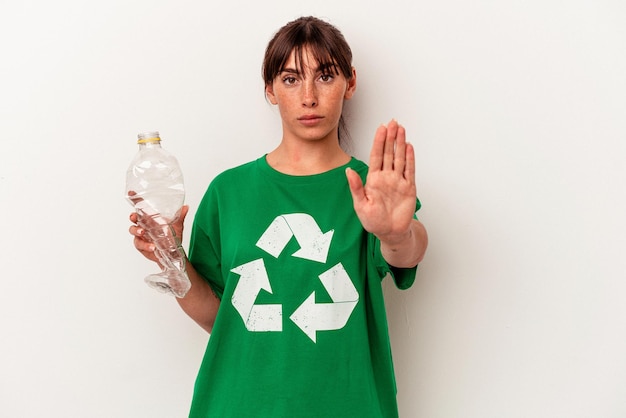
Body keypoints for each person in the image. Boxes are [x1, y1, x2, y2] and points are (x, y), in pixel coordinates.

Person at [129, 16, 428, 418]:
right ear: (269, 89)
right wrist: (173, 261)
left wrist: (396, 233)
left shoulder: (371, 189)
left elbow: (407, 251)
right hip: (237, 406)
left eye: (325, 76)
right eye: (290, 79)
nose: (308, 96)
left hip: (347, 406)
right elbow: (220, 317)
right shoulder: (228, 192)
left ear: (350, 83)